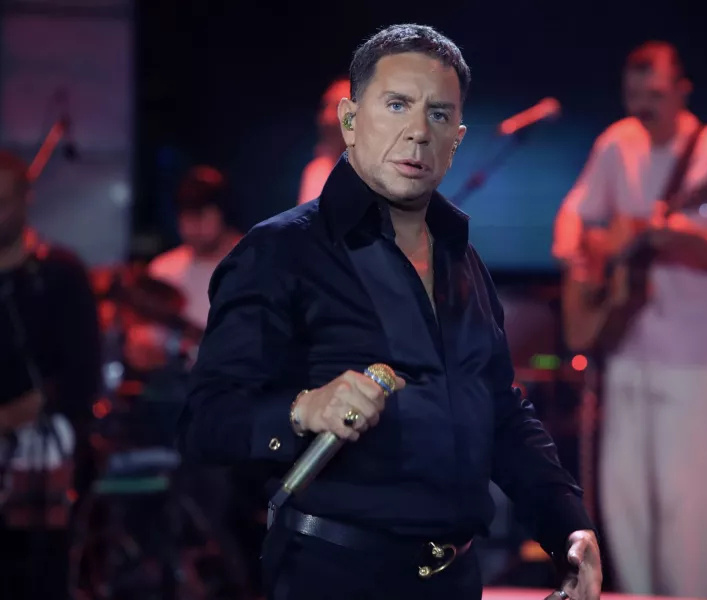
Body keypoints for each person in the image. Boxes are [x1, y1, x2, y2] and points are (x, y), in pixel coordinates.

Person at [179, 24, 602, 600]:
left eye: (438, 114)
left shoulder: (462, 260)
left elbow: (502, 414)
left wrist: (568, 526)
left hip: (456, 580)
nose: (418, 132)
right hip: (335, 577)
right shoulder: (279, 253)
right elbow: (207, 422)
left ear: (457, 138)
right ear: (350, 120)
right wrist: (304, 409)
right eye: (397, 105)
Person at [553, 41, 707, 597]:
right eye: (633, 94)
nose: (643, 106)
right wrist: (585, 261)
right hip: (626, 348)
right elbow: (574, 214)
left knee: (685, 502)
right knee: (624, 501)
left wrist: (671, 236)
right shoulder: (616, 143)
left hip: (695, 357)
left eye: (655, 95)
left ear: (682, 91)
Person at [0, 150, 102, 599]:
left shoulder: (60, 273)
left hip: (44, 457)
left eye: (3, 201)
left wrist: (11, 417)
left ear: (25, 199)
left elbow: (82, 375)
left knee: (39, 576)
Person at [125, 165, 241, 371]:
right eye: (186, 216)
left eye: (201, 215)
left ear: (224, 213)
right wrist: (142, 348)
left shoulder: (255, 265)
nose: (192, 226)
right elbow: (145, 341)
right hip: (176, 385)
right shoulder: (163, 270)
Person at [297, 77, 351, 205]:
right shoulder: (316, 171)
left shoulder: (379, 174)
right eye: (325, 107)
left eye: (338, 108)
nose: (327, 118)